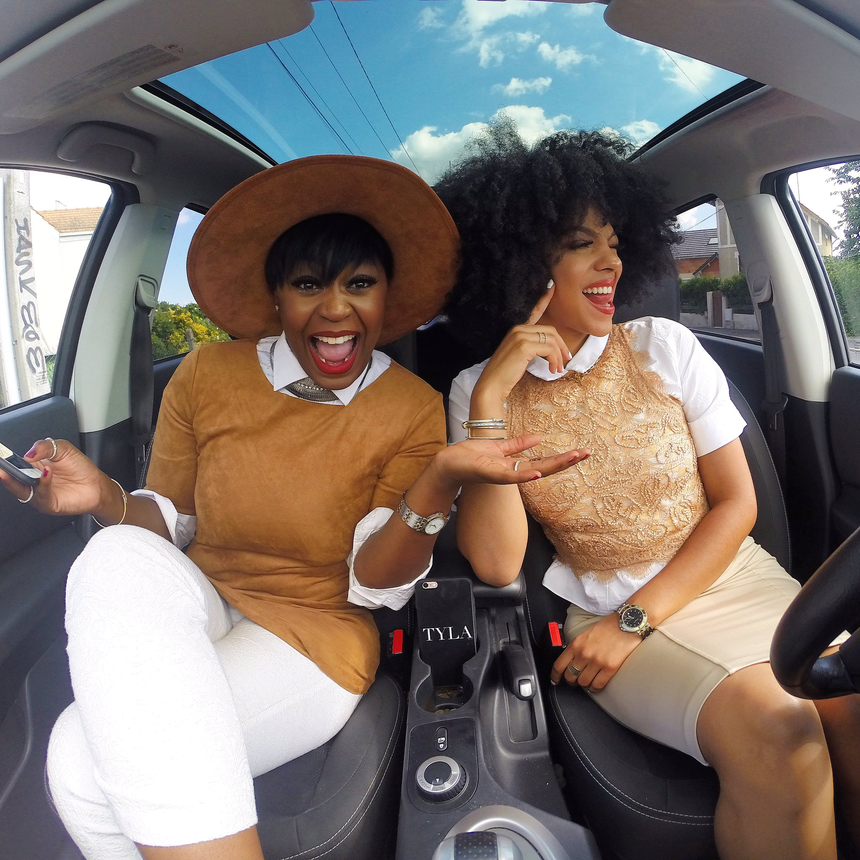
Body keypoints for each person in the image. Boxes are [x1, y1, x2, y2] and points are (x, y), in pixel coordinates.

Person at [0, 155, 585, 860]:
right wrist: (105, 498)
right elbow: (171, 524)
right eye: (309, 284)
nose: (336, 309)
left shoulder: (410, 408)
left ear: (386, 298)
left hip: (315, 634)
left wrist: (435, 483)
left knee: (77, 764)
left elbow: (375, 580)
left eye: (359, 284)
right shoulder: (207, 373)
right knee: (114, 550)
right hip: (202, 600)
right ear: (277, 297)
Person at [437, 125, 860, 860]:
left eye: (614, 242)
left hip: (724, 581)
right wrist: (493, 401)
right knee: (782, 730)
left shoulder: (664, 344)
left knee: (850, 700)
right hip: (606, 606)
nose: (611, 261)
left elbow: (737, 503)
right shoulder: (475, 389)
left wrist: (638, 618)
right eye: (581, 244)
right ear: (521, 263)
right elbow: (499, 565)